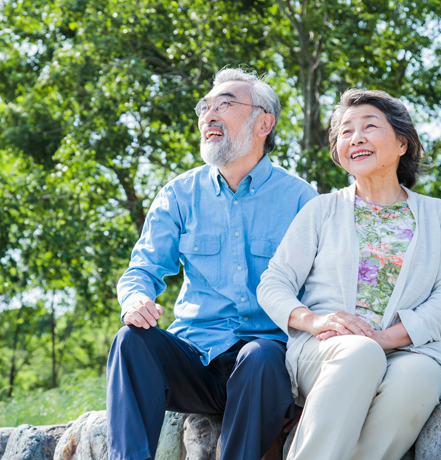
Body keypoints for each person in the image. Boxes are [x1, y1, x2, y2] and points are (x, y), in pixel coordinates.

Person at [258, 89, 441, 460]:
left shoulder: (438, 215)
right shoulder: (322, 209)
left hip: (409, 349)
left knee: (421, 377)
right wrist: (316, 321)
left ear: (402, 143)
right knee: (361, 353)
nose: (357, 138)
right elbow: (273, 283)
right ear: (339, 151)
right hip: (325, 350)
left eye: (370, 126)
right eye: (346, 132)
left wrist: (389, 338)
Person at [106, 68, 317, 460]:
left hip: (263, 365)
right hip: (194, 358)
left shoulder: (302, 200)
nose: (209, 114)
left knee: (260, 355)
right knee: (131, 341)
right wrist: (135, 299)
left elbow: (323, 289)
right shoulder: (179, 194)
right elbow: (142, 269)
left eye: (225, 104)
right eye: (205, 106)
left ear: (263, 123)